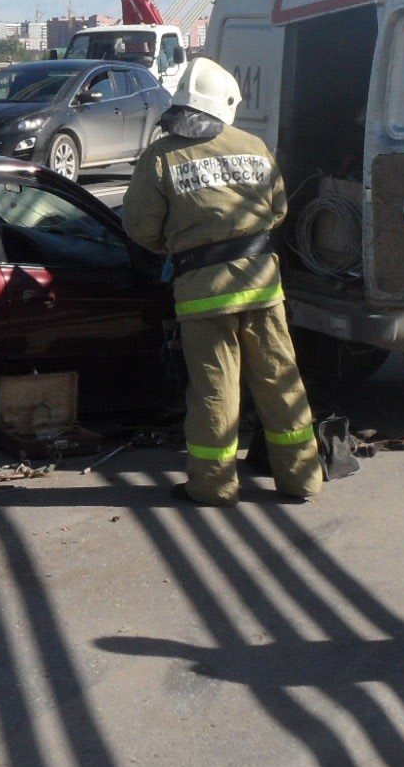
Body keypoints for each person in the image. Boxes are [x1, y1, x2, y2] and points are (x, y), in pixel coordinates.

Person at [122, 57, 323, 506]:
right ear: (227, 103)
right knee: (279, 380)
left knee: (215, 389)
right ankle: (302, 479)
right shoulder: (254, 145)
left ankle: (213, 486)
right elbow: (278, 211)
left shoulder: (161, 157)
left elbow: (140, 228)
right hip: (263, 285)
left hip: (202, 294)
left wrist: (181, 246)